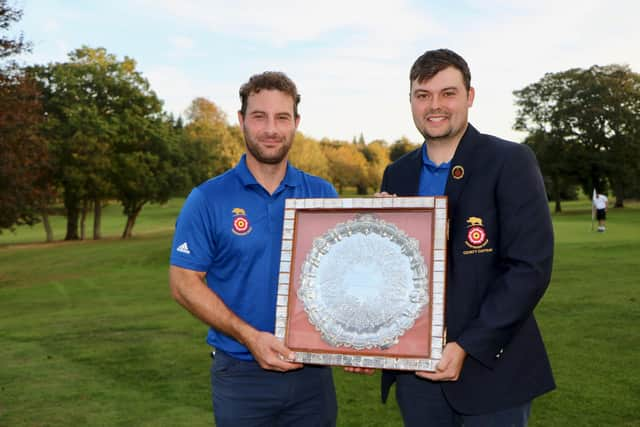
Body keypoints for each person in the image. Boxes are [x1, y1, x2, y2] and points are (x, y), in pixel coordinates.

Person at [378, 49, 555, 426]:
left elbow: (529, 268)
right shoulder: (397, 174)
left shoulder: (510, 160)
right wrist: (373, 233)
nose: (434, 106)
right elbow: (392, 275)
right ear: (411, 101)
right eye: (422, 95)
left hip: (493, 370)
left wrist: (468, 346)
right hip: (417, 375)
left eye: (448, 93)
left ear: (469, 96)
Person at [169, 71, 338, 427]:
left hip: (313, 377)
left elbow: (345, 276)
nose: (271, 129)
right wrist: (250, 337)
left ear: (296, 123)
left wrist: (392, 216)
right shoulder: (207, 199)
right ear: (242, 120)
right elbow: (184, 283)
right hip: (240, 374)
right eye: (259, 117)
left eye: (282, 117)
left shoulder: (323, 194)